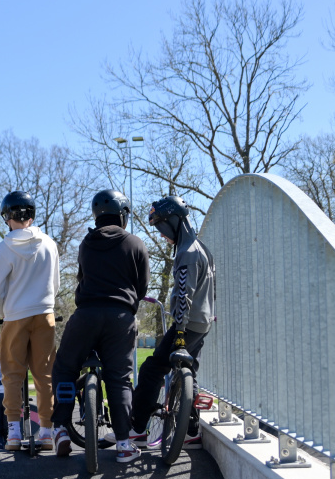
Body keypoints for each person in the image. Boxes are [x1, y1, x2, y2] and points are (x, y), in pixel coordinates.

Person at [49, 190, 150, 459]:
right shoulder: (135, 243)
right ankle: (124, 444)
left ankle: (60, 428)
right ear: (123, 215)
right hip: (120, 319)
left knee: (65, 367)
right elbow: (141, 287)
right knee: (119, 379)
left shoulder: (86, 244)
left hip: (86, 315)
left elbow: (81, 278)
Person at [127, 196, 214, 462]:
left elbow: (184, 295)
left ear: (173, 222)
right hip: (203, 322)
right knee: (189, 370)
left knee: (152, 369)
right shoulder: (201, 248)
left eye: (161, 228)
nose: (161, 235)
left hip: (187, 324)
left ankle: (137, 429)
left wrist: (179, 332)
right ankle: (191, 432)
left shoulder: (187, 253)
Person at [0, 190, 60, 451]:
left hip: (16, 316)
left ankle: (14, 433)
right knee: (45, 374)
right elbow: (55, 283)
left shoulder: (4, 248)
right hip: (45, 314)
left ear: (7, 217)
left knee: (12, 375)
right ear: (32, 215)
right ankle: (46, 431)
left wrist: (4, 311)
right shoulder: (49, 244)